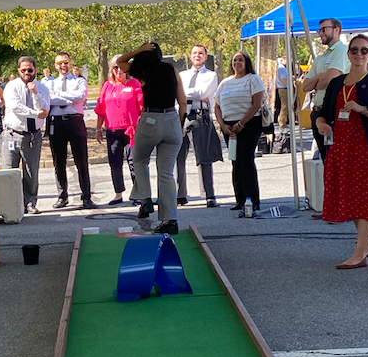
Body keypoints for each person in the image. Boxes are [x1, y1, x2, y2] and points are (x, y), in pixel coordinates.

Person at [314, 35, 368, 268]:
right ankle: (366, 244)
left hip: (364, 147)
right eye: (354, 50)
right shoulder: (337, 83)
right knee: (349, 195)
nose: (358, 54)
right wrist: (321, 124)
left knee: (365, 195)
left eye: (364, 50)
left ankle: (361, 249)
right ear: (348, 54)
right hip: (340, 147)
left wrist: (362, 109)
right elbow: (322, 111)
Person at [114, 42, 185, 234]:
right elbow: (183, 102)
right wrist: (177, 125)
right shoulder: (171, 70)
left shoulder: (143, 71)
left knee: (139, 158)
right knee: (166, 173)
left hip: (150, 118)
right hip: (171, 118)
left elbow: (120, 61)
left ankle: (145, 198)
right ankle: (170, 220)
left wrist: (138, 50)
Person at [213, 51, 267, 215]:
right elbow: (217, 106)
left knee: (246, 160)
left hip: (249, 124)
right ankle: (240, 199)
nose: (237, 62)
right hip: (229, 127)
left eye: (241, 60)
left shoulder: (253, 79)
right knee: (235, 161)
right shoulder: (225, 83)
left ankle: (253, 200)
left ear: (247, 62)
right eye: (235, 60)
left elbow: (256, 103)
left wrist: (241, 123)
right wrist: (223, 125)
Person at [43, 54, 95, 209]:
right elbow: (49, 100)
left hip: (75, 121)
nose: (63, 66)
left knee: (81, 160)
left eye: (65, 62)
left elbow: (80, 97)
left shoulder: (79, 81)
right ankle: (62, 196)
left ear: (70, 63)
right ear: (55, 65)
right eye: (59, 63)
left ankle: (86, 196)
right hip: (57, 122)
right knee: (59, 161)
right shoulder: (50, 84)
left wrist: (61, 96)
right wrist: (69, 98)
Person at [3, 57, 50, 213]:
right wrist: (36, 114)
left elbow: (45, 108)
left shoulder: (42, 88)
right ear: (18, 71)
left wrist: (35, 93)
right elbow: (15, 107)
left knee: (31, 171)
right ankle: (10, 205)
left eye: (30, 70)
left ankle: (30, 203)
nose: (27, 73)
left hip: (32, 136)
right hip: (13, 134)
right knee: (9, 171)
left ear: (35, 70)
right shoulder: (11, 86)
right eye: (23, 70)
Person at [177, 44, 221, 206]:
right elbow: (179, 95)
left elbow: (203, 93)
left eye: (201, 53)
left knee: (203, 156)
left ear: (205, 56)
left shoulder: (211, 76)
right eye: (194, 53)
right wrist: (192, 95)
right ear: (190, 56)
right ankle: (180, 194)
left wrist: (186, 94)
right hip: (181, 116)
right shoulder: (182, 75)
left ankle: (209, 195)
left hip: (200, 116)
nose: (197, 56)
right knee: (178, 157)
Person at [299, 18, 350, 159]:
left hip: (332, 113)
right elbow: (305, 86)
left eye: (324, 29)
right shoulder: (321, 58)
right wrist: (319, 77)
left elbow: (331, 80)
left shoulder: (342, 50)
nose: (320, 33)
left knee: (334, 159)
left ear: (337, 30)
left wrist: (318, 79)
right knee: (325, 160)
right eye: (319, 30)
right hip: (317, 112)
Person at [94, 61, 143, 204]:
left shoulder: (134, 84)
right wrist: (98, 129)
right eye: (116, 67)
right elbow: (101, 108)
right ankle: (118, 194)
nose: (119, 70)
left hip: (131, 130)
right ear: (112, 69)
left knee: (134, 162)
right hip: (112, 130)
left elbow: (141, 106)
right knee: (115, 163)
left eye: (122, 67)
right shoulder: (107, 85)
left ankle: (138, 194)